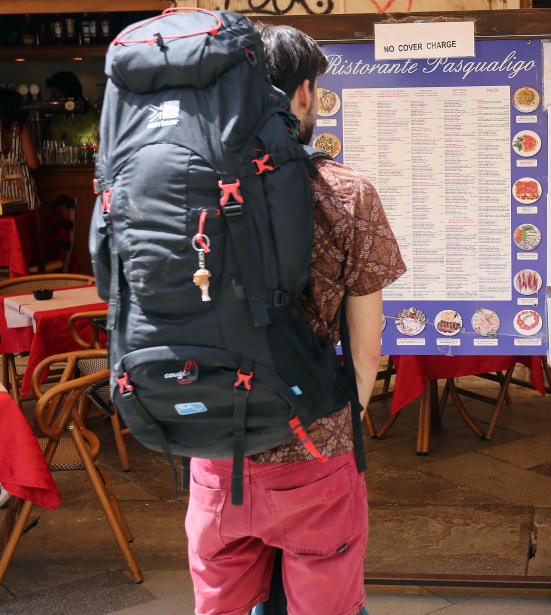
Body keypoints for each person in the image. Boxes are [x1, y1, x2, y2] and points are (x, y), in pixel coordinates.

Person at [184, 23, 406, 615]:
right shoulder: (346, 192)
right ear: (304, 94)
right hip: (314, 447)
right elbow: (366, 343)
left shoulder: (186, 192)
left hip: (215, 445)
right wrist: (347, 411)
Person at [0, 86, 40, 210]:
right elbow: (33, 164)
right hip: (23, 188)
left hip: (2, 189)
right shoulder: (21, 129)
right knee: (26, 225)